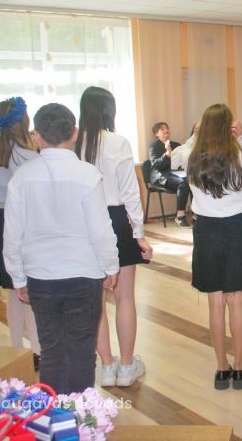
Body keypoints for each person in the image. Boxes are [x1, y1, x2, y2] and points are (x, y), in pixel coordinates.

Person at [4, 103, 120, 395]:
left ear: (36, 136)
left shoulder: (21, 178)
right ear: (75, 133)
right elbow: (100, 229)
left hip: (40, 276)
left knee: (51, 349)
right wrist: (111, 266)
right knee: (82, 350)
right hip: (84, 274)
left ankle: (54, 412)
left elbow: (12, 235)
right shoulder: (87, 174)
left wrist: (17, 277)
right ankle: (80, 413)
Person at [183, 104, 242, 391]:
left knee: (215, 302)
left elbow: (176, 154)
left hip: (206, 230)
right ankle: (239, 368)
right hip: (236, 228)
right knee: (236, 302)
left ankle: (221, 369)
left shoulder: (191, 157)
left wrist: (194, 136)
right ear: (228, 128)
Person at [75, 86, 153, 388]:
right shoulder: (118, 142)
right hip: (117, 219)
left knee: (95, 300)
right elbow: (130, 192)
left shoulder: (74, 143)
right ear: (110, 110)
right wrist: (139, 234)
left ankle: (106, 366)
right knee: (124, 298)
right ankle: (127, 365)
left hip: (85, 221)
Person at [0, 97, 41, 368]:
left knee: (14, 290)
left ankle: (17, 346)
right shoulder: (30, 157)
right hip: (26, 225)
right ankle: (37, 349)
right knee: (30, 292)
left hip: (0, 225)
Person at [148, 121, 192, 228]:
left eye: (166, 128)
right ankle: (180, 216)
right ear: (156, 134)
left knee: (194, 180)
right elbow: (156, 165)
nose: (165, 130)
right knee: (183, 183)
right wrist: (167, 154)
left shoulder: (176, 145)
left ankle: (196, 213)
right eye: (162, 129)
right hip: (161, 176)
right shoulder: (154, 146)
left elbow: (183, 162)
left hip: (177, 173)